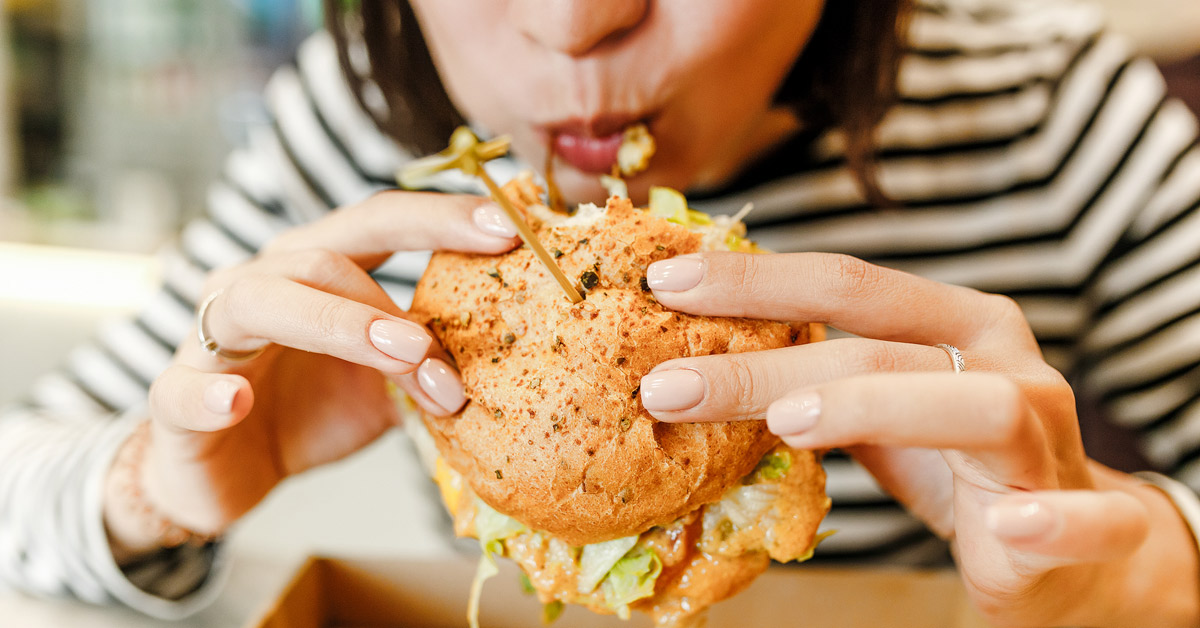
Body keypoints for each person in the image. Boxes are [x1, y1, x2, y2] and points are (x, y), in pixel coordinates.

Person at [1, 0, 1198, 625]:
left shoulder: (1054, 115)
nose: (571, 25)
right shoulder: (369, 134)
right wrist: (156, 484)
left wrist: (1147, 575)